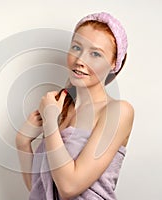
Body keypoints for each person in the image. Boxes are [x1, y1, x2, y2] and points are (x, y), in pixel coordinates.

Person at [16, 12, 134, 200]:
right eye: (76, 48)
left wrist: (50, 124)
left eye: (95, 54)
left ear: (114, 63)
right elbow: (41, 189)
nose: (80, 61)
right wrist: (22, 141)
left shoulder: (118, 111)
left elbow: (69, 187)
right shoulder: (60, 108)